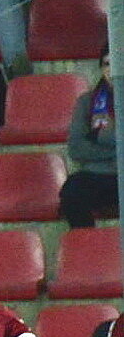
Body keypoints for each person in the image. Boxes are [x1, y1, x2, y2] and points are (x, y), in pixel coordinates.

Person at [61, 56, 117, 229]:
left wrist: (99, 137)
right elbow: (76, 148)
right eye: (107, 64)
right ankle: (86, 243)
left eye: (118, 63)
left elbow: (94, 140)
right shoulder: (86, 102)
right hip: (99, 175)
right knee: (72, 192)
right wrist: (117, 149)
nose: (112, 69)